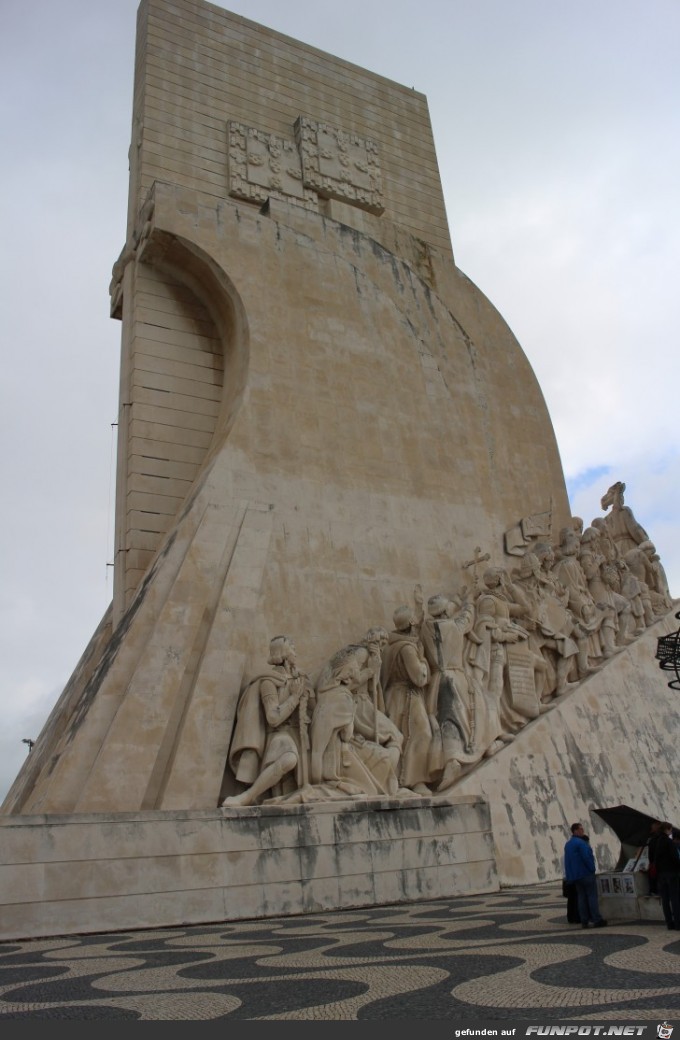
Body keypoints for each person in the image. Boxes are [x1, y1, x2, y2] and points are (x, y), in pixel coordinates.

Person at [221, 635, 314, 807]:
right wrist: (294, 697)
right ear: (284, 653)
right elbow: (273, 718)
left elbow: (315, 710)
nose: (296, 652)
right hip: (279, 735)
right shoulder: (268, 681)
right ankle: (247, 797)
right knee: (289, 758)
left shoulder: (300, 679)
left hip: (301, 736)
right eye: (292, 648)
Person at [563, 822, 607, 928]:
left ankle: (584, 920)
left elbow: (567, 862)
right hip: (585, 873)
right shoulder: (581, 843)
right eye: (581, 829)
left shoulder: (568, 844)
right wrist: (592, 869)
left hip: (575, 876)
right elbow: (586, 857)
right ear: (575, 831)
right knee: (592, 896)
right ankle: (596, 919)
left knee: (581, 897)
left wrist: (570, 876)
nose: (583, 831)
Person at [652, 822, 680, 930]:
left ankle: (669, 923)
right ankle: (678, 923)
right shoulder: (669, 842)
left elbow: (653, 858)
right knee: (675, 898)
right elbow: (675, 858)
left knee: (665, 899)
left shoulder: (654, 841)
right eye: (670, 830)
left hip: (661, 874)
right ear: (667, 829)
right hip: (671, 873)